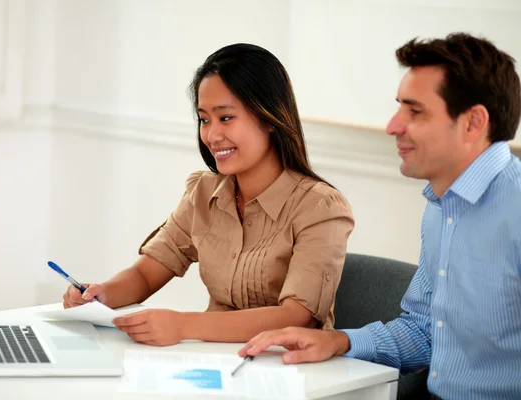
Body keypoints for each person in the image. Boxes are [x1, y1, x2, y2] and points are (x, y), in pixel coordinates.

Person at [239, 33, 521, 399]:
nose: (393, 126)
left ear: (473, 123)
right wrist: (338, 341)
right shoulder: (442, 210)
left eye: (415, 111)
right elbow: (424, 330)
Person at [62, 43, 355, 346]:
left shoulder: (320, 207)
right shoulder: (203, 192)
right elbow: (147, 274)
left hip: (290, 372)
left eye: (225, 118)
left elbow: (296, 317)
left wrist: (182, 325)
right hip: (213, 365)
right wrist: (102, 294)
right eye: (204, 119)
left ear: (269, 118)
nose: (212, 135)